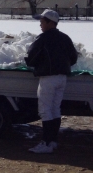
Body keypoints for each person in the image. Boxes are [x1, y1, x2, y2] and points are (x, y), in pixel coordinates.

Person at [25, 9, 78, 154]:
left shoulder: (43, 38)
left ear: (50, 23)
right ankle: (53, 142)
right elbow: (73, 57)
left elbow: (31, 58)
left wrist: (39, 64)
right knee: (55, 109)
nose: (40, 24)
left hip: (48, 78)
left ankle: (46, 143)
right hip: (62, 78)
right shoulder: (65, 37)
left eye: (42, 21)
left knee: (45, 110)